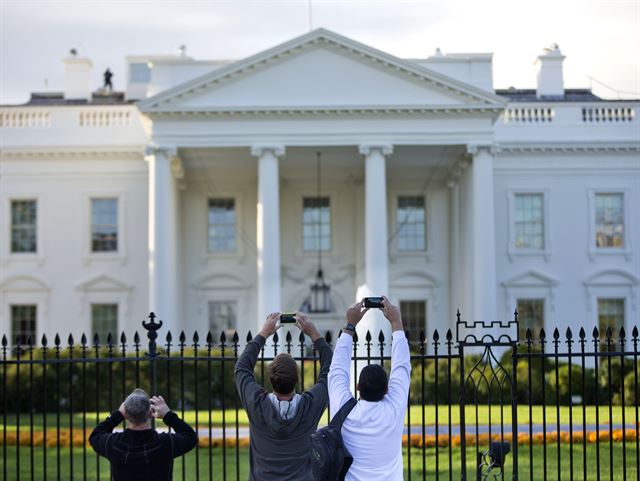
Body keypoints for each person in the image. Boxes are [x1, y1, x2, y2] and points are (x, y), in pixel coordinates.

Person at [235, 312, 333, 481]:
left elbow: (241, 368)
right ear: (297, 379)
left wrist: (263, 334)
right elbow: (331, 372)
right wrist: (315, 335)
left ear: (270, 379)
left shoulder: (257, 404)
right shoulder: (309, 406)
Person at [328, 297, 411, 481]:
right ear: (387, 390)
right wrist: (396, 322)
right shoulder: (393, 409)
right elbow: (401, 367)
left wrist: (350, 325)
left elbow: (337, 371)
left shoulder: (344, 410)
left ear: (357, 387)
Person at [89, 388, 197, 481]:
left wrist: (118, 415)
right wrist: (168, 415)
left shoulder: (113, 444)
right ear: (151, 412)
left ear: (126, 414)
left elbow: (95, 435)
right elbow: (191, 436)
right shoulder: (166, 443)